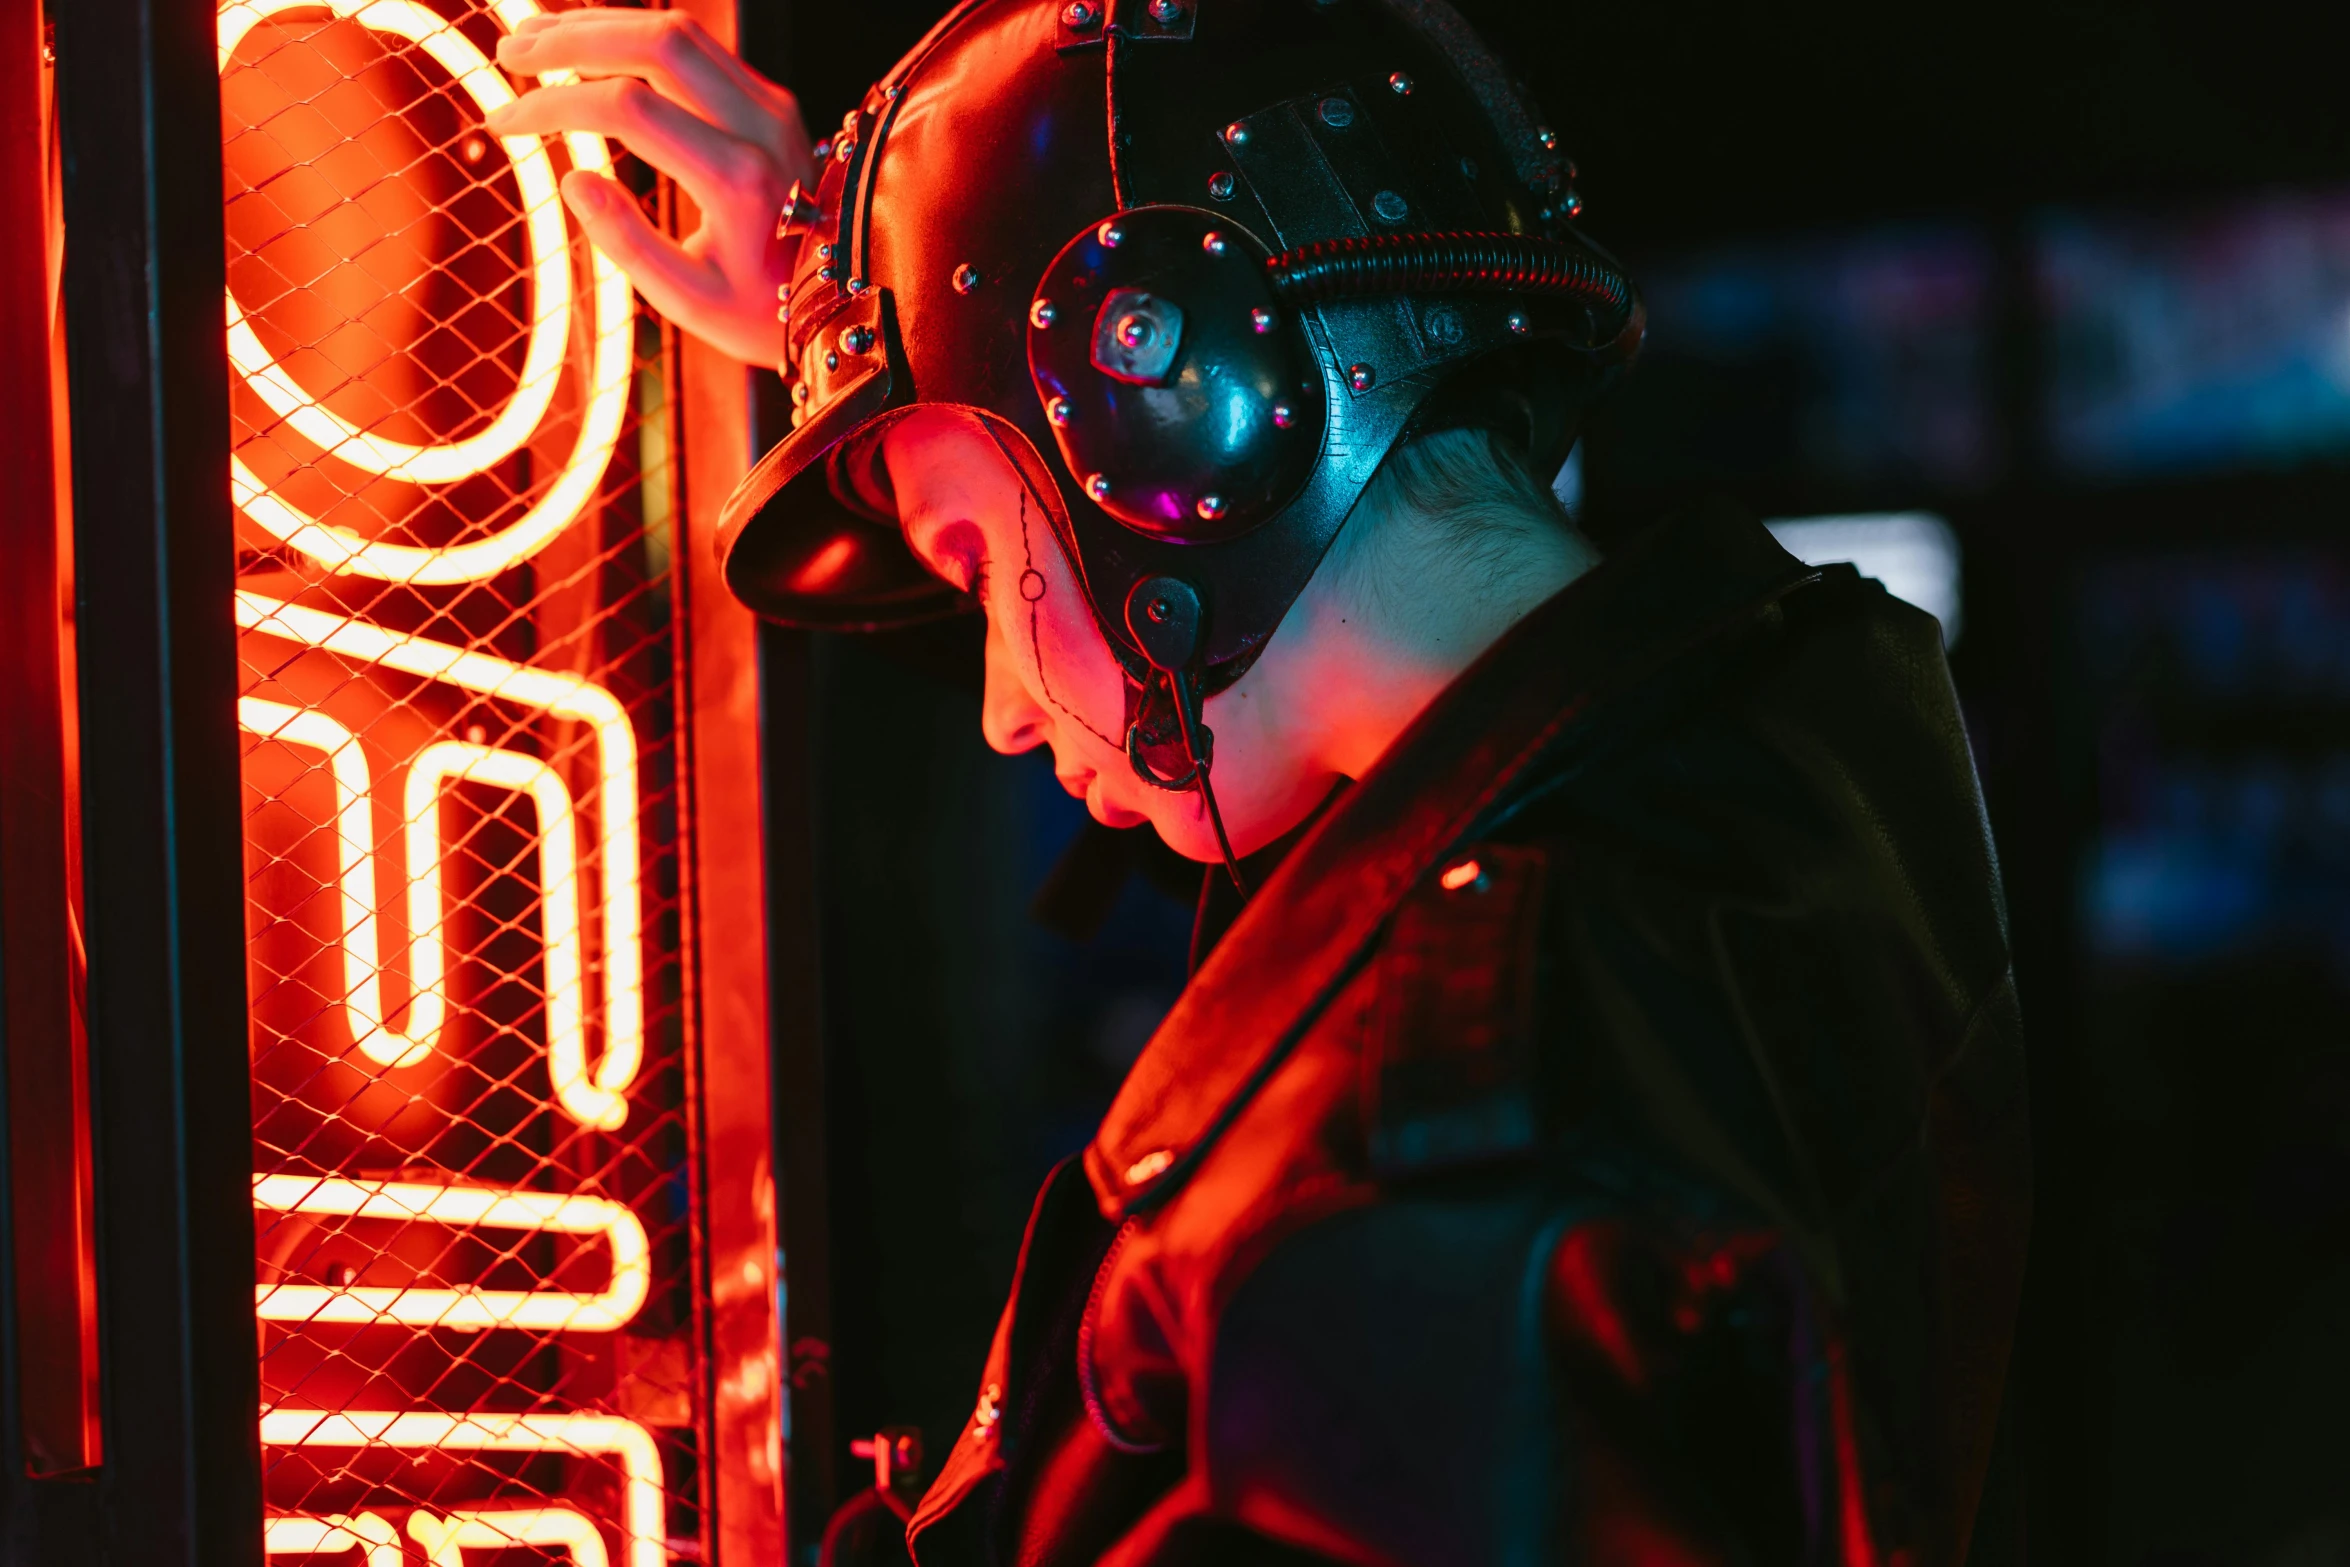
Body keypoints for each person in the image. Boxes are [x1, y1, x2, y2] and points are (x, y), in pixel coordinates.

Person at [492, 3, 2031, 1563]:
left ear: (1172, 422)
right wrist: (891, 326)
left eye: (967, 574)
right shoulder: (1761, 764)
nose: (1002, 718)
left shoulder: (1462, 1132)